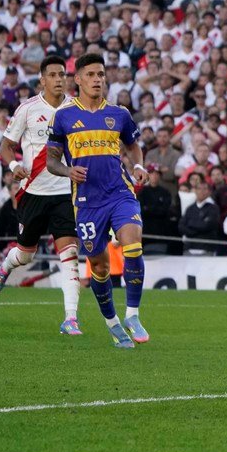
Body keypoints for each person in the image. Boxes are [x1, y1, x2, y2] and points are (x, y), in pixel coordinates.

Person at [45, 53, 150, 348]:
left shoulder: (119, 114)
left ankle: (132, 314)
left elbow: (133, 147)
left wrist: (138, 167)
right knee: (100, 268)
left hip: (120, 192)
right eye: (90, 74)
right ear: (77, 79)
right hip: (88, 203)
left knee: (133, 244)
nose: (97, 80)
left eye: (101, 75)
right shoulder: (64, 116)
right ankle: (113, 323)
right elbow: (51, 161)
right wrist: (68, 170)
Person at [0, 55, 83, 336]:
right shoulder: (27, 109)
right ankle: (6, 266)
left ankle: (71, 318)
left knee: (70, 252)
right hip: (33, 192)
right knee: (25, 254)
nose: (59, 79)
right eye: (53, 75)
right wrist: (14, 165)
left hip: (65, 192)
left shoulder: (76, 108)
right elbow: (6, 146)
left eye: (62, 75)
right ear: (42, 79)